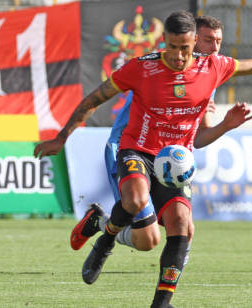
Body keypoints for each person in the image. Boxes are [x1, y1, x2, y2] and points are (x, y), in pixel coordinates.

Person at [35, 11, 252, 308]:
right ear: (164, 40)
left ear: (193, 42)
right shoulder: (141, 68)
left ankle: (161, 303)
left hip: (175, 162)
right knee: (136, 199)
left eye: (185, 48)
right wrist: (62, 136)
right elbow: (95, 99)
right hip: (137, 150)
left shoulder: (213, 67)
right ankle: (105, 242)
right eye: (173, 47)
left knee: (175, 228)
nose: (179, 56)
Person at [69, 17, 226, 267]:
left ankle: (170, 279)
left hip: (168, 157)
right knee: (147, 238)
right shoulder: (155, 69)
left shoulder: (208, 74)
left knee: (184, 227)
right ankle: (100, 223)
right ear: (192, 39)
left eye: (218, 41)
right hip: (132, 150)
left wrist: (226, 124)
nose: (214, 47)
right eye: (208, 40)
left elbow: (198, 138)